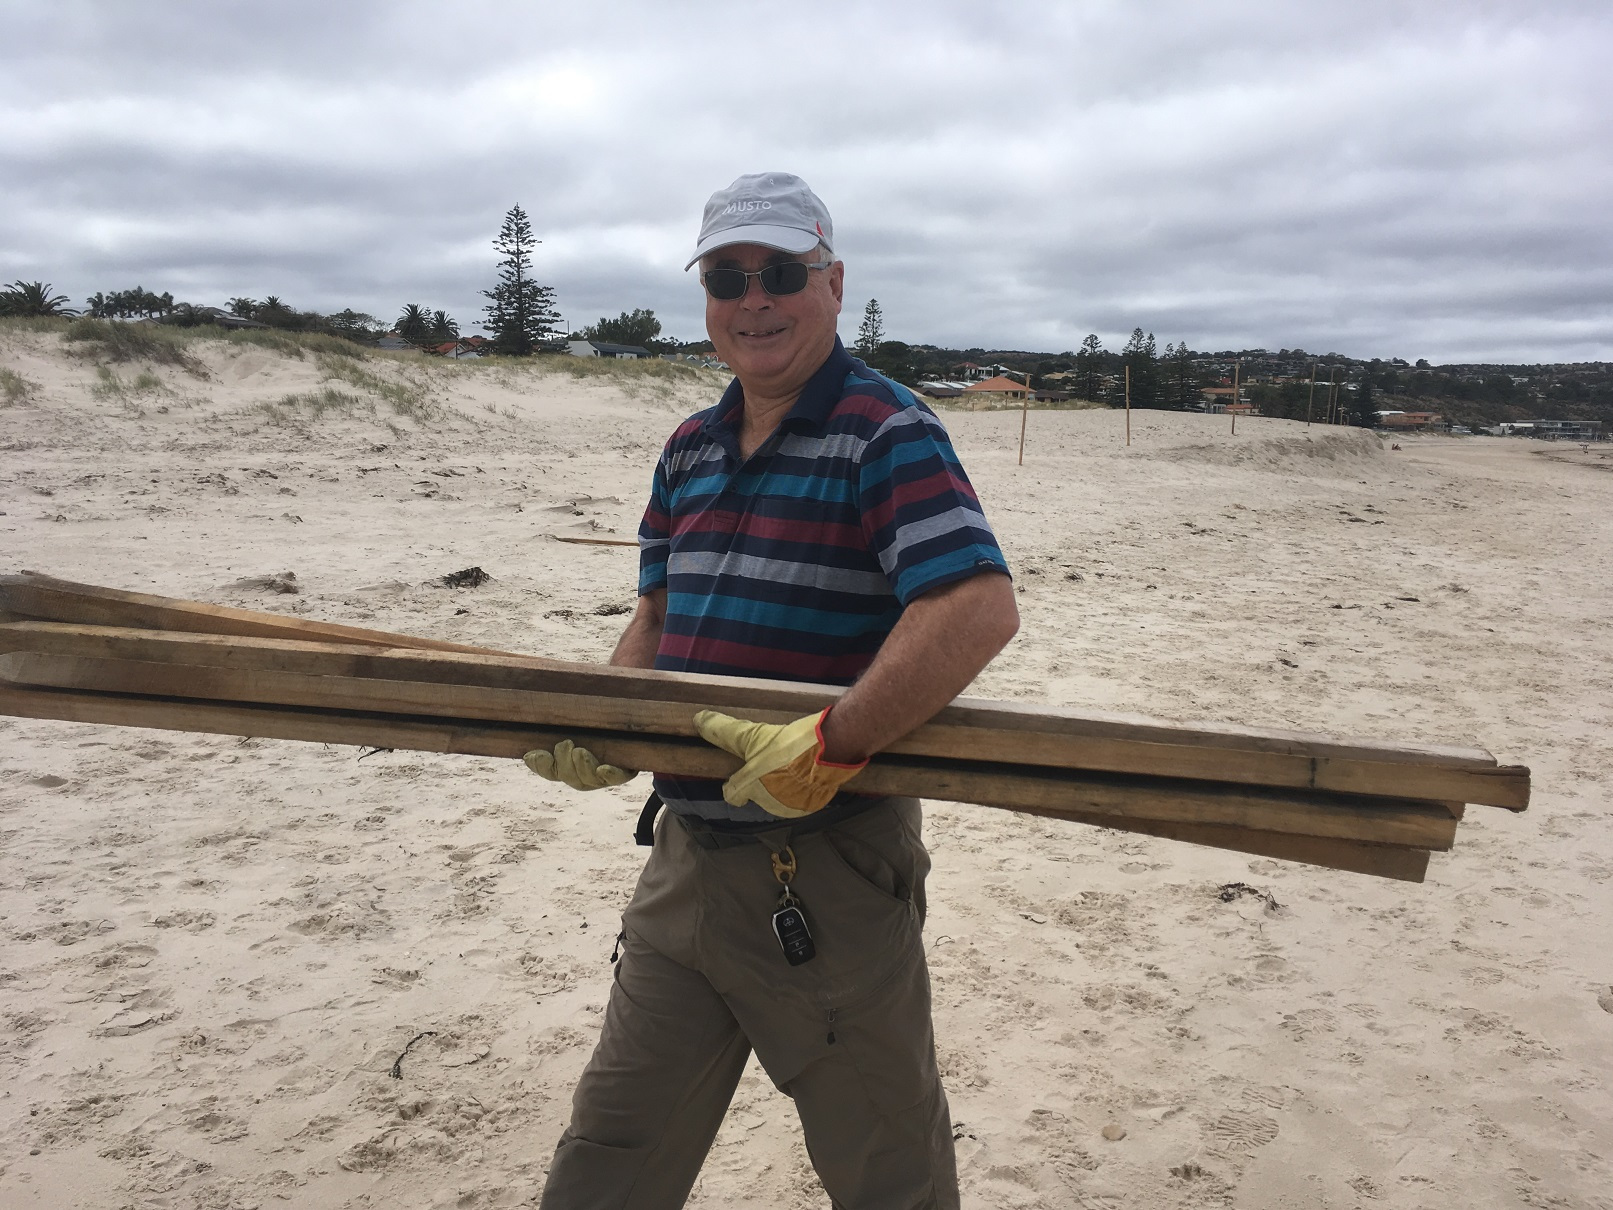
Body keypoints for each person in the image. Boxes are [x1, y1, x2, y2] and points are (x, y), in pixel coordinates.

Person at [526, 172, 1018, 1210]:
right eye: (727, 276)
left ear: (831, 283)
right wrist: (602, 724)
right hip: (684, 863)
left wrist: (835, 740)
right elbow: (657, 622)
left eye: (780, 272)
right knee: (609, 1157)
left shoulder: (886, 431)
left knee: (888, 1172)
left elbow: (973, 606)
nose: (754, 298)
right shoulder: (687, 450)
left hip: (826, 873)